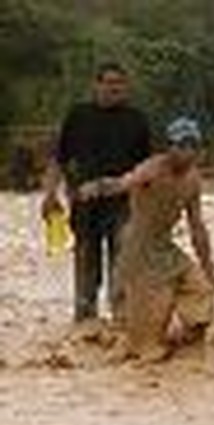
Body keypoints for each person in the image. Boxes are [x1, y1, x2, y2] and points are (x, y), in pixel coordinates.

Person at [77, 117, 214, 363]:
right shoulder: (152, 168)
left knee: (201, 290)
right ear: (169, 147)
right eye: (181, 145)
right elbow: (123, 183)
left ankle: (185, 345)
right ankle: (112, 341)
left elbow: (197, 226)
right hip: (138, 250)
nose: (187, 152)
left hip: (165, 247)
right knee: (146, 345)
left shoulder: (193, 179)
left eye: (193, 146)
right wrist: (96, 187)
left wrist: (208, 265)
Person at [42, 62, 151, 323]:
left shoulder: (137, 120)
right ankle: (85, 315)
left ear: (126, 87)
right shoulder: (78, 115)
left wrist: (147, 207)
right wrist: (49, 194)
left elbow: (147, 169)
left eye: (120, 83)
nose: (114, 87)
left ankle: (122, 318)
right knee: (86, 261)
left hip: (124, 203)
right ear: (97, 85)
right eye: (109, 82)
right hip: (84, 203)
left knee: (122, 260)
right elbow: (59, 158)